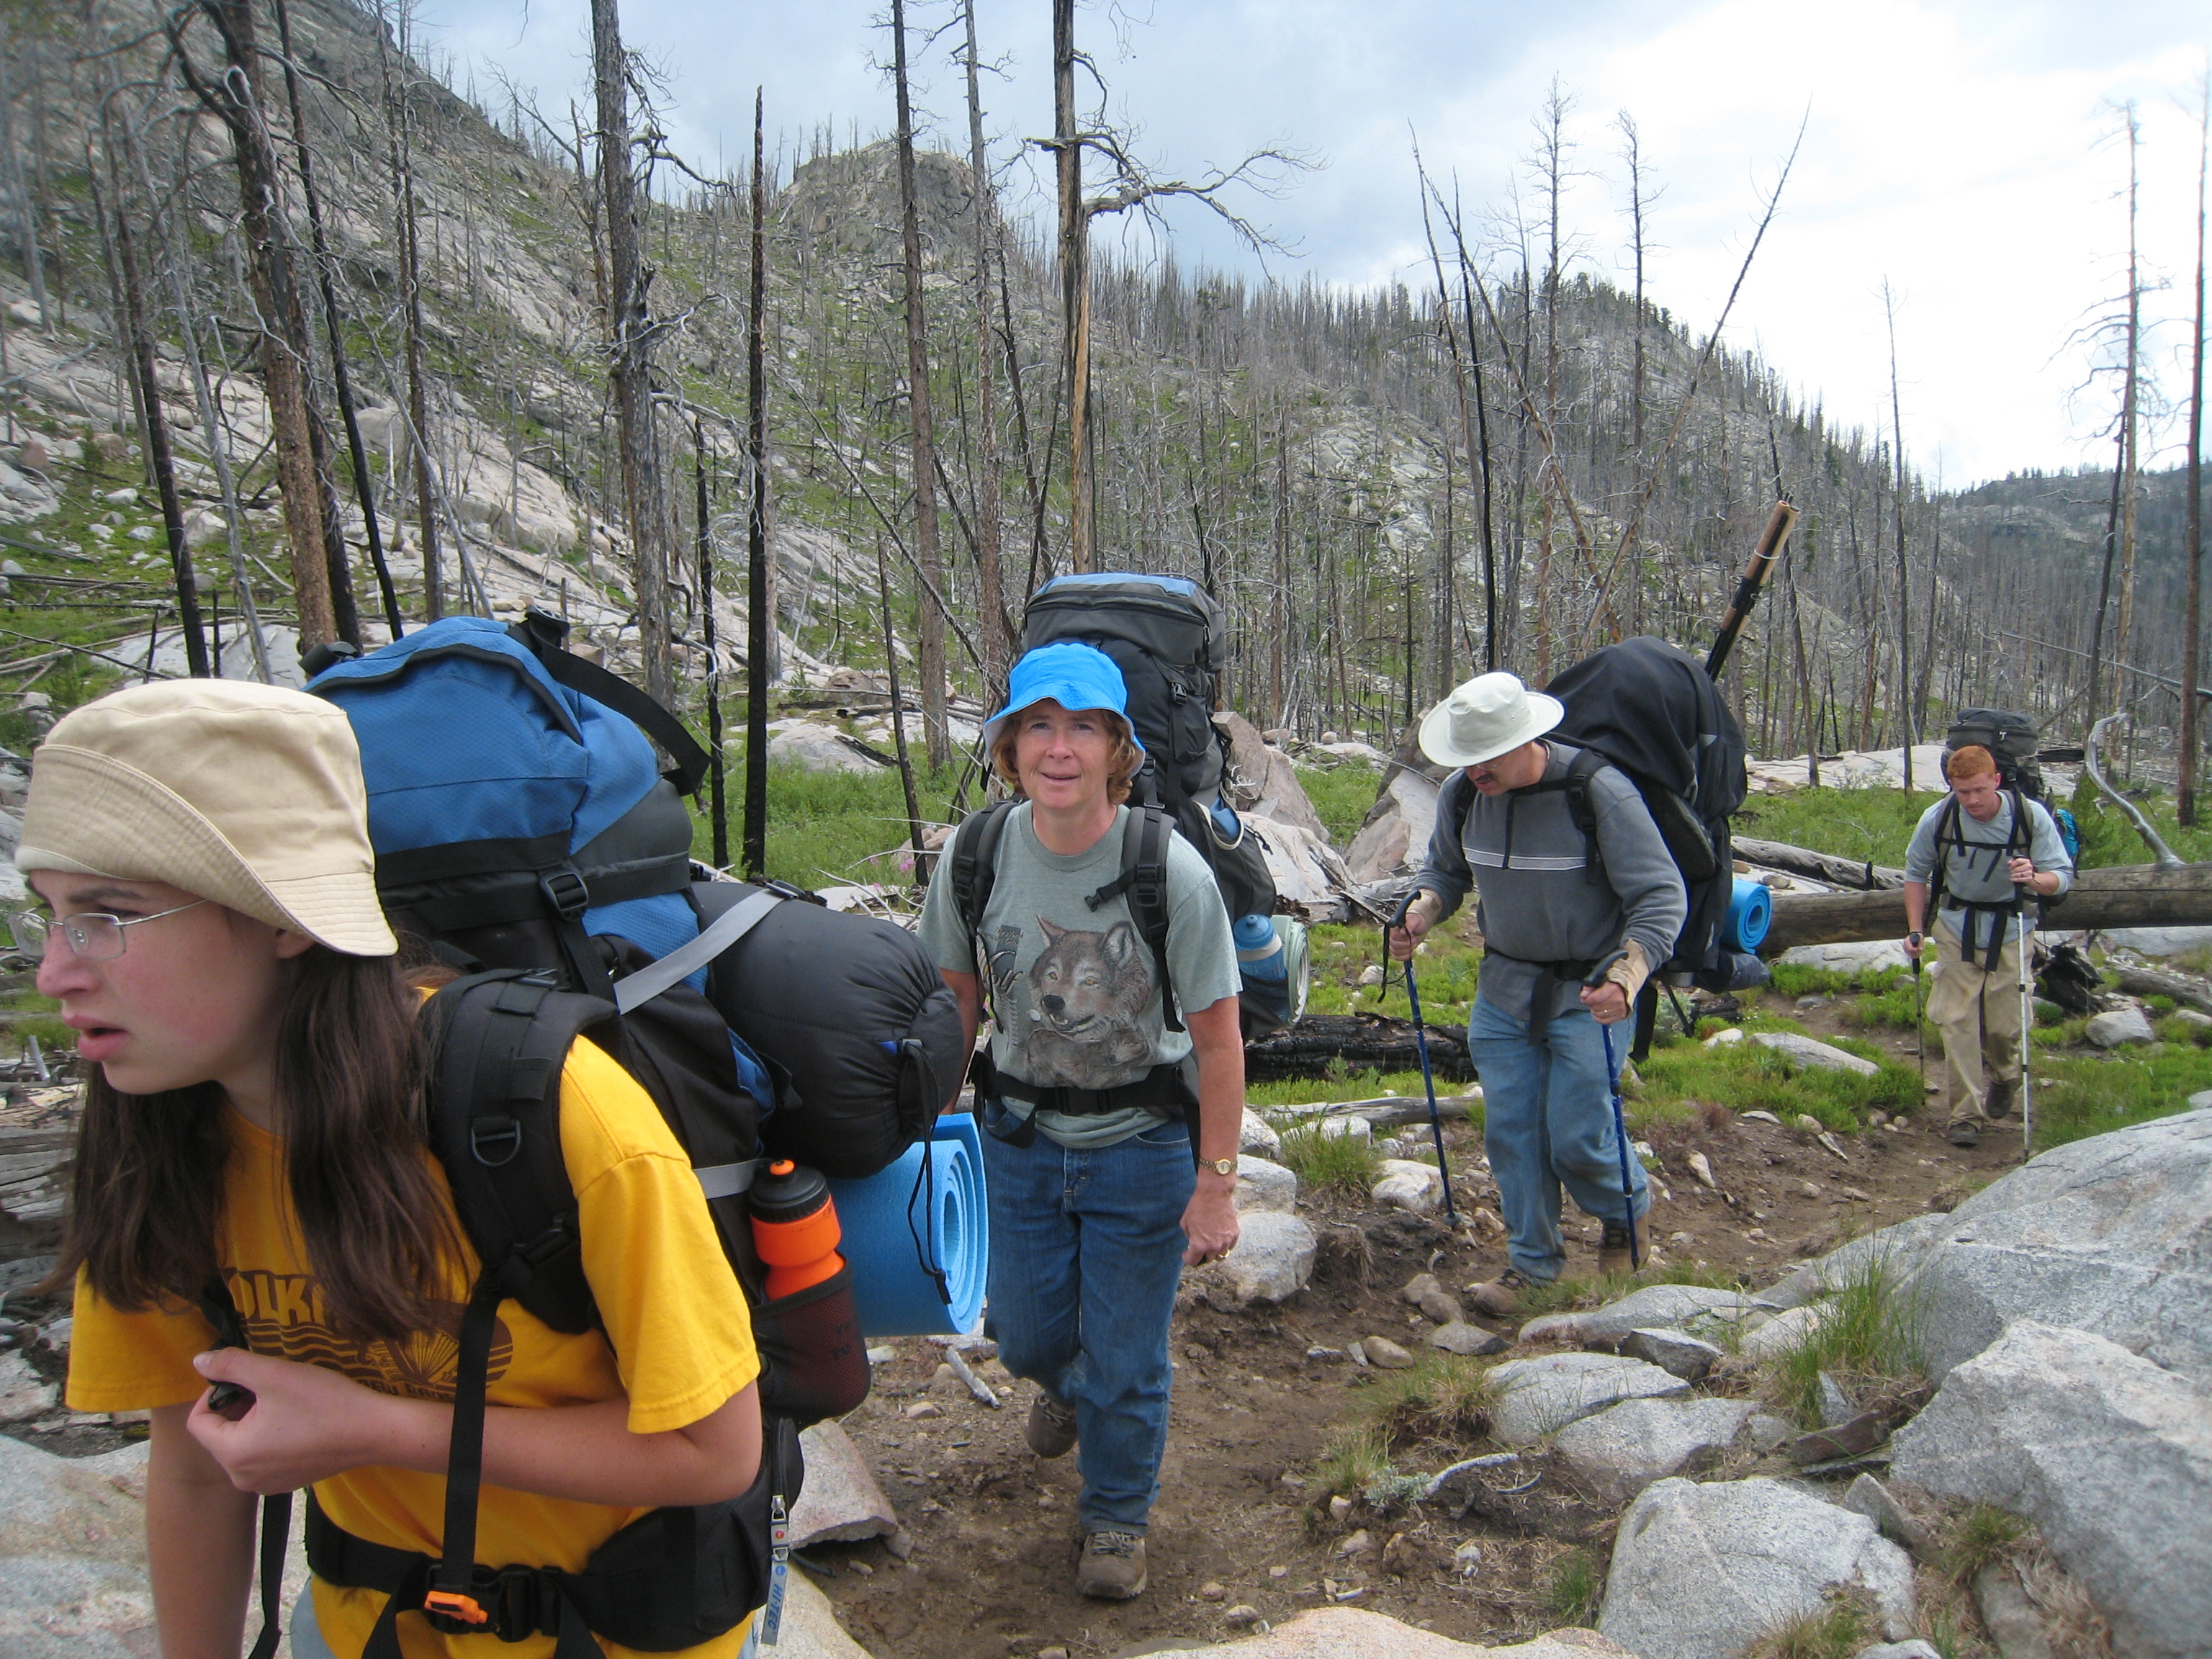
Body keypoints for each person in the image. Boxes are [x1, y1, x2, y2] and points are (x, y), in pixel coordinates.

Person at [20, 680, 765, 1659]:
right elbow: (196, 1461)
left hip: (617, 1632)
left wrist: (377, 1430)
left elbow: (715, 1452)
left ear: (284, 917)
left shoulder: (550, 1108)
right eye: (51, 916)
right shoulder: (153, 1136)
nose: (55, 973)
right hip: (370, 1626)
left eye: (109, 916)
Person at [918, 642, 1243, 1601]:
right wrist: (933, 1130)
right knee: (1020, 1332)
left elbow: (1222, 1043)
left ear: (1117, 751)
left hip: (1141, 1147)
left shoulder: (1167, 870)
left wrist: (1215, 1182)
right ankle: (1065, 1385)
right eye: (1040, 727)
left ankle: (1114, 1519)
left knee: (1129, 1354)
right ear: (1011, 746)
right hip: (1015, 1142)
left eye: (1084, 729)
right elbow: (956, 1000)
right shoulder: (976, 855)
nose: (1060, 749)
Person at [1388, 671, 1685, 1313]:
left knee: (1578, 1134)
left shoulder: (1596, 791)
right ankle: (1533, 1266)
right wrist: (1423, 909)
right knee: (1513, 1132)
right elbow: (1445, 870)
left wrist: (1629, 975)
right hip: (1504, 987)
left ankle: (1624, 1213)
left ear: (1526, 740)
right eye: (1464, 761)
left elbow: (1661, 895)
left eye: (1485, 759)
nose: (1474, 774)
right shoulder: (1463, 797)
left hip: (1590, 990)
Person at [1902, 743, 2073, 1148]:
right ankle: (1965, 1116)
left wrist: (2033, 878)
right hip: (1956, 928)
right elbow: (1915, 874)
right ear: (1952, 787)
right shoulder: (1939, 818)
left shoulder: (2029, 817)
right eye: (1963, 792)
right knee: (1955, 1020)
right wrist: (1914, 930)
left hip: (2012, 929)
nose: (1973, 800)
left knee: (2006, 1026)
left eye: (1980, 789)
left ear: (1996, 780)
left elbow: (2062, 877)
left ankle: (2005, 1075)